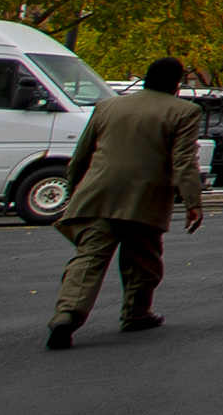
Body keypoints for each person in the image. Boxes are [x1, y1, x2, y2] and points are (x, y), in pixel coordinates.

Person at [50, 55, 204, 349]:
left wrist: (74, 191)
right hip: (145, 198)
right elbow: (184, 160)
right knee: (143, 261)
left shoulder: (107, 106)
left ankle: (66, 316)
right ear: (177, 83)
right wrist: (192, 202)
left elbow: (81, 156)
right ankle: (136, 313)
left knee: (88, 259)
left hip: (98, 194)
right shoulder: (185, 111)